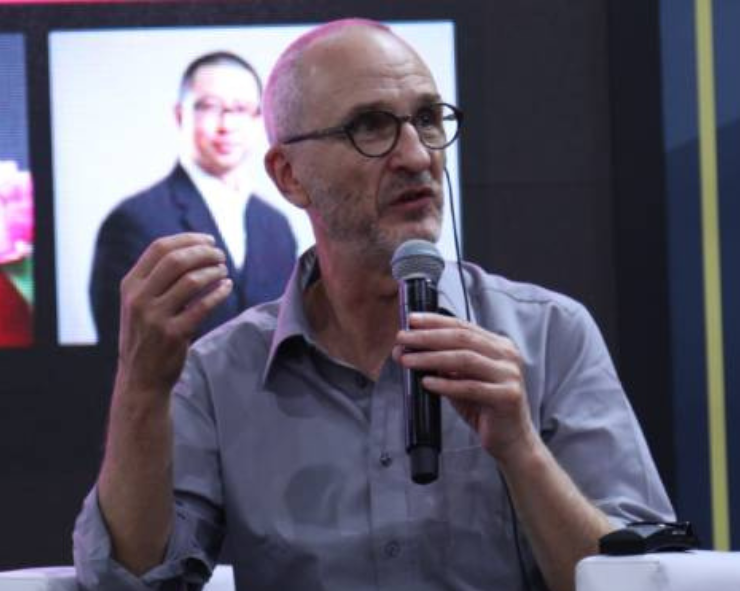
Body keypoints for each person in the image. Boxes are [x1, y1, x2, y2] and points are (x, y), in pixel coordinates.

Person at [73, 19, 674, 591]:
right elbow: (127, 580)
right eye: (370, 126)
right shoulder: (219, 373)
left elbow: (640, 579)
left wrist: (521, 451)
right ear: (289, 175)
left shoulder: (549, 335)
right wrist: (141, 387)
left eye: (428, 120)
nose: (417, 156)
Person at [89, 51, 297, 350]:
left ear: (258, 120)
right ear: (179, 115)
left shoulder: (276, 225)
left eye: (241, 109)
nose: (227, 124)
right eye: (210, 107)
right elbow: (121, 352)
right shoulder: (133, 221)